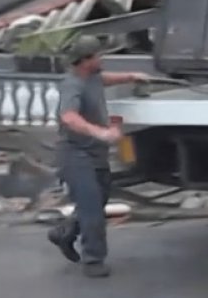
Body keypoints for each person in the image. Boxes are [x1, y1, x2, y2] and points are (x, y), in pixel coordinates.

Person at [47, 36, 149, 278]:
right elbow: (69, 117)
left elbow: (105, 79)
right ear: (85, 60)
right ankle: (93, 260)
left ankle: (65, 232)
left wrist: (132, 76)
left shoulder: (91, 77)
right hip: (75, 154)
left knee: (99, 199)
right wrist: (101, 133)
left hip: (95, 153)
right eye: (98, 56)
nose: (102, 59)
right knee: (92, 207)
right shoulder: (73, 85)